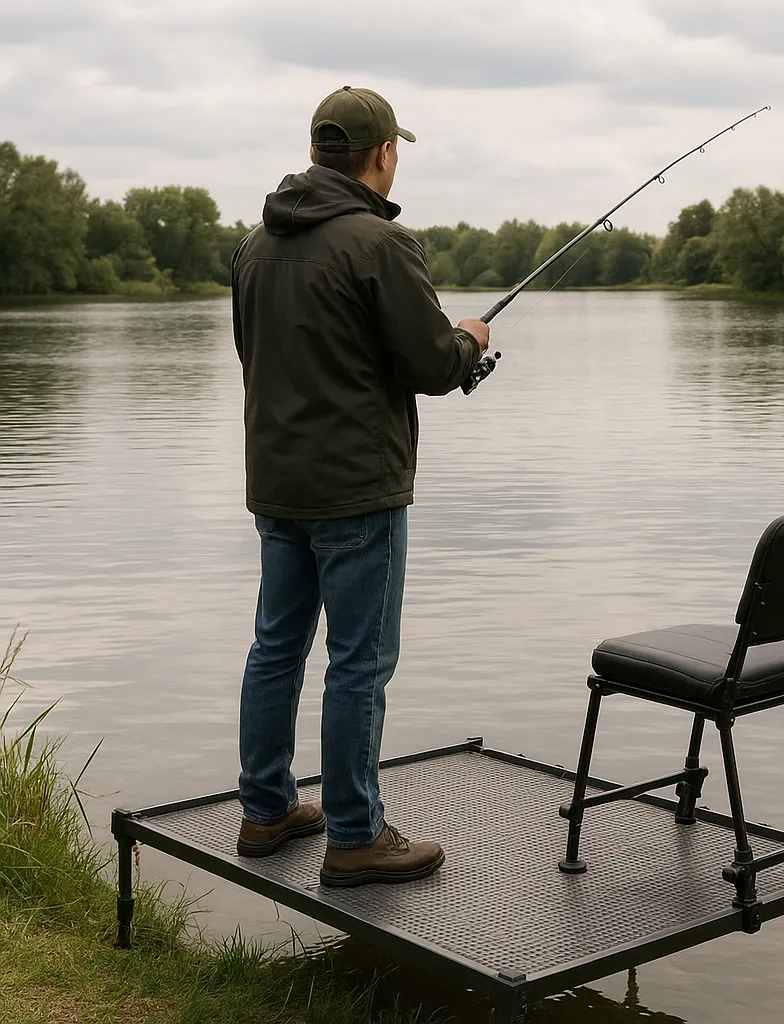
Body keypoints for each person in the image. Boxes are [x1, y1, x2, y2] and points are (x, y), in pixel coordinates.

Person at [230, 86, 489, 887]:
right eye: (395, 149)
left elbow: (257, 356)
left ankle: (266, 811)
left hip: (277, 486)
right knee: (359, 664)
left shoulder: (252, 247)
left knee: (276, 649)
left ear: (317, 151)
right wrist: (468, 340)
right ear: (381, 154)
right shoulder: (382, 244)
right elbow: (432, 364)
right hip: (358, 494)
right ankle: (354, 836)